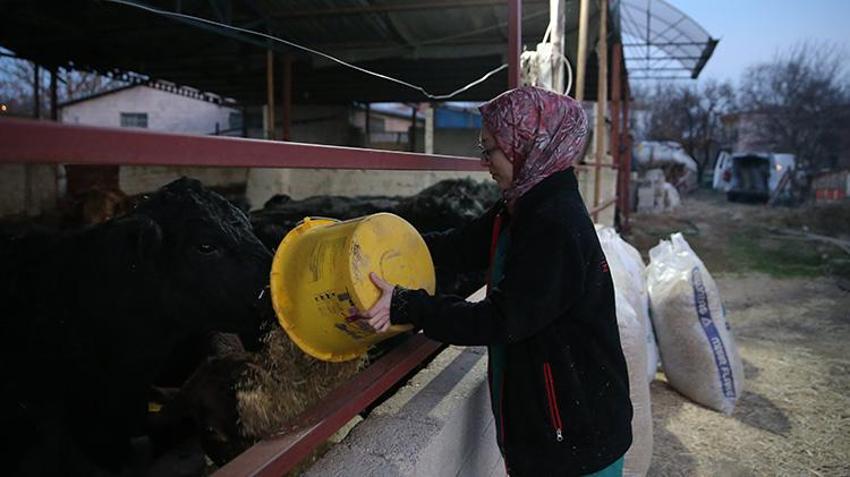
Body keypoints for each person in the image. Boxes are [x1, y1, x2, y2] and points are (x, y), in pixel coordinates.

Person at [361, 86, 632, 476]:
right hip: (551, 425)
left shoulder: (554, 225)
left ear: (526, 145)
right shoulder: (522, 204)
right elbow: (461, 246)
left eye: (492, 149)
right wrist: (388, 247)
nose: (484, 161)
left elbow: (500, 320)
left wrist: (409, 305)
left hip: (575, 438)